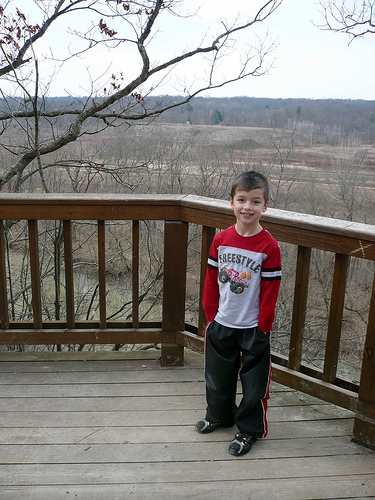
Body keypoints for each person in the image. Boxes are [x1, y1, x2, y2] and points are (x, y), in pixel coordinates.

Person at [195, 170, 282, 456]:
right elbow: (210, 279)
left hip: (253, 327)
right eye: (242, 200)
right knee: (217, 377)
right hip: (222, 321)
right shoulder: (220, 240)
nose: (248, 207)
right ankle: (220, 415)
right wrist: (211, 314)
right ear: (231, 202)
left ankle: (248, 430)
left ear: (265, 206)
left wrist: (263, 325)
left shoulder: (268, 246)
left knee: (254, 384)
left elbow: (270, 291)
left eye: (255, 201)